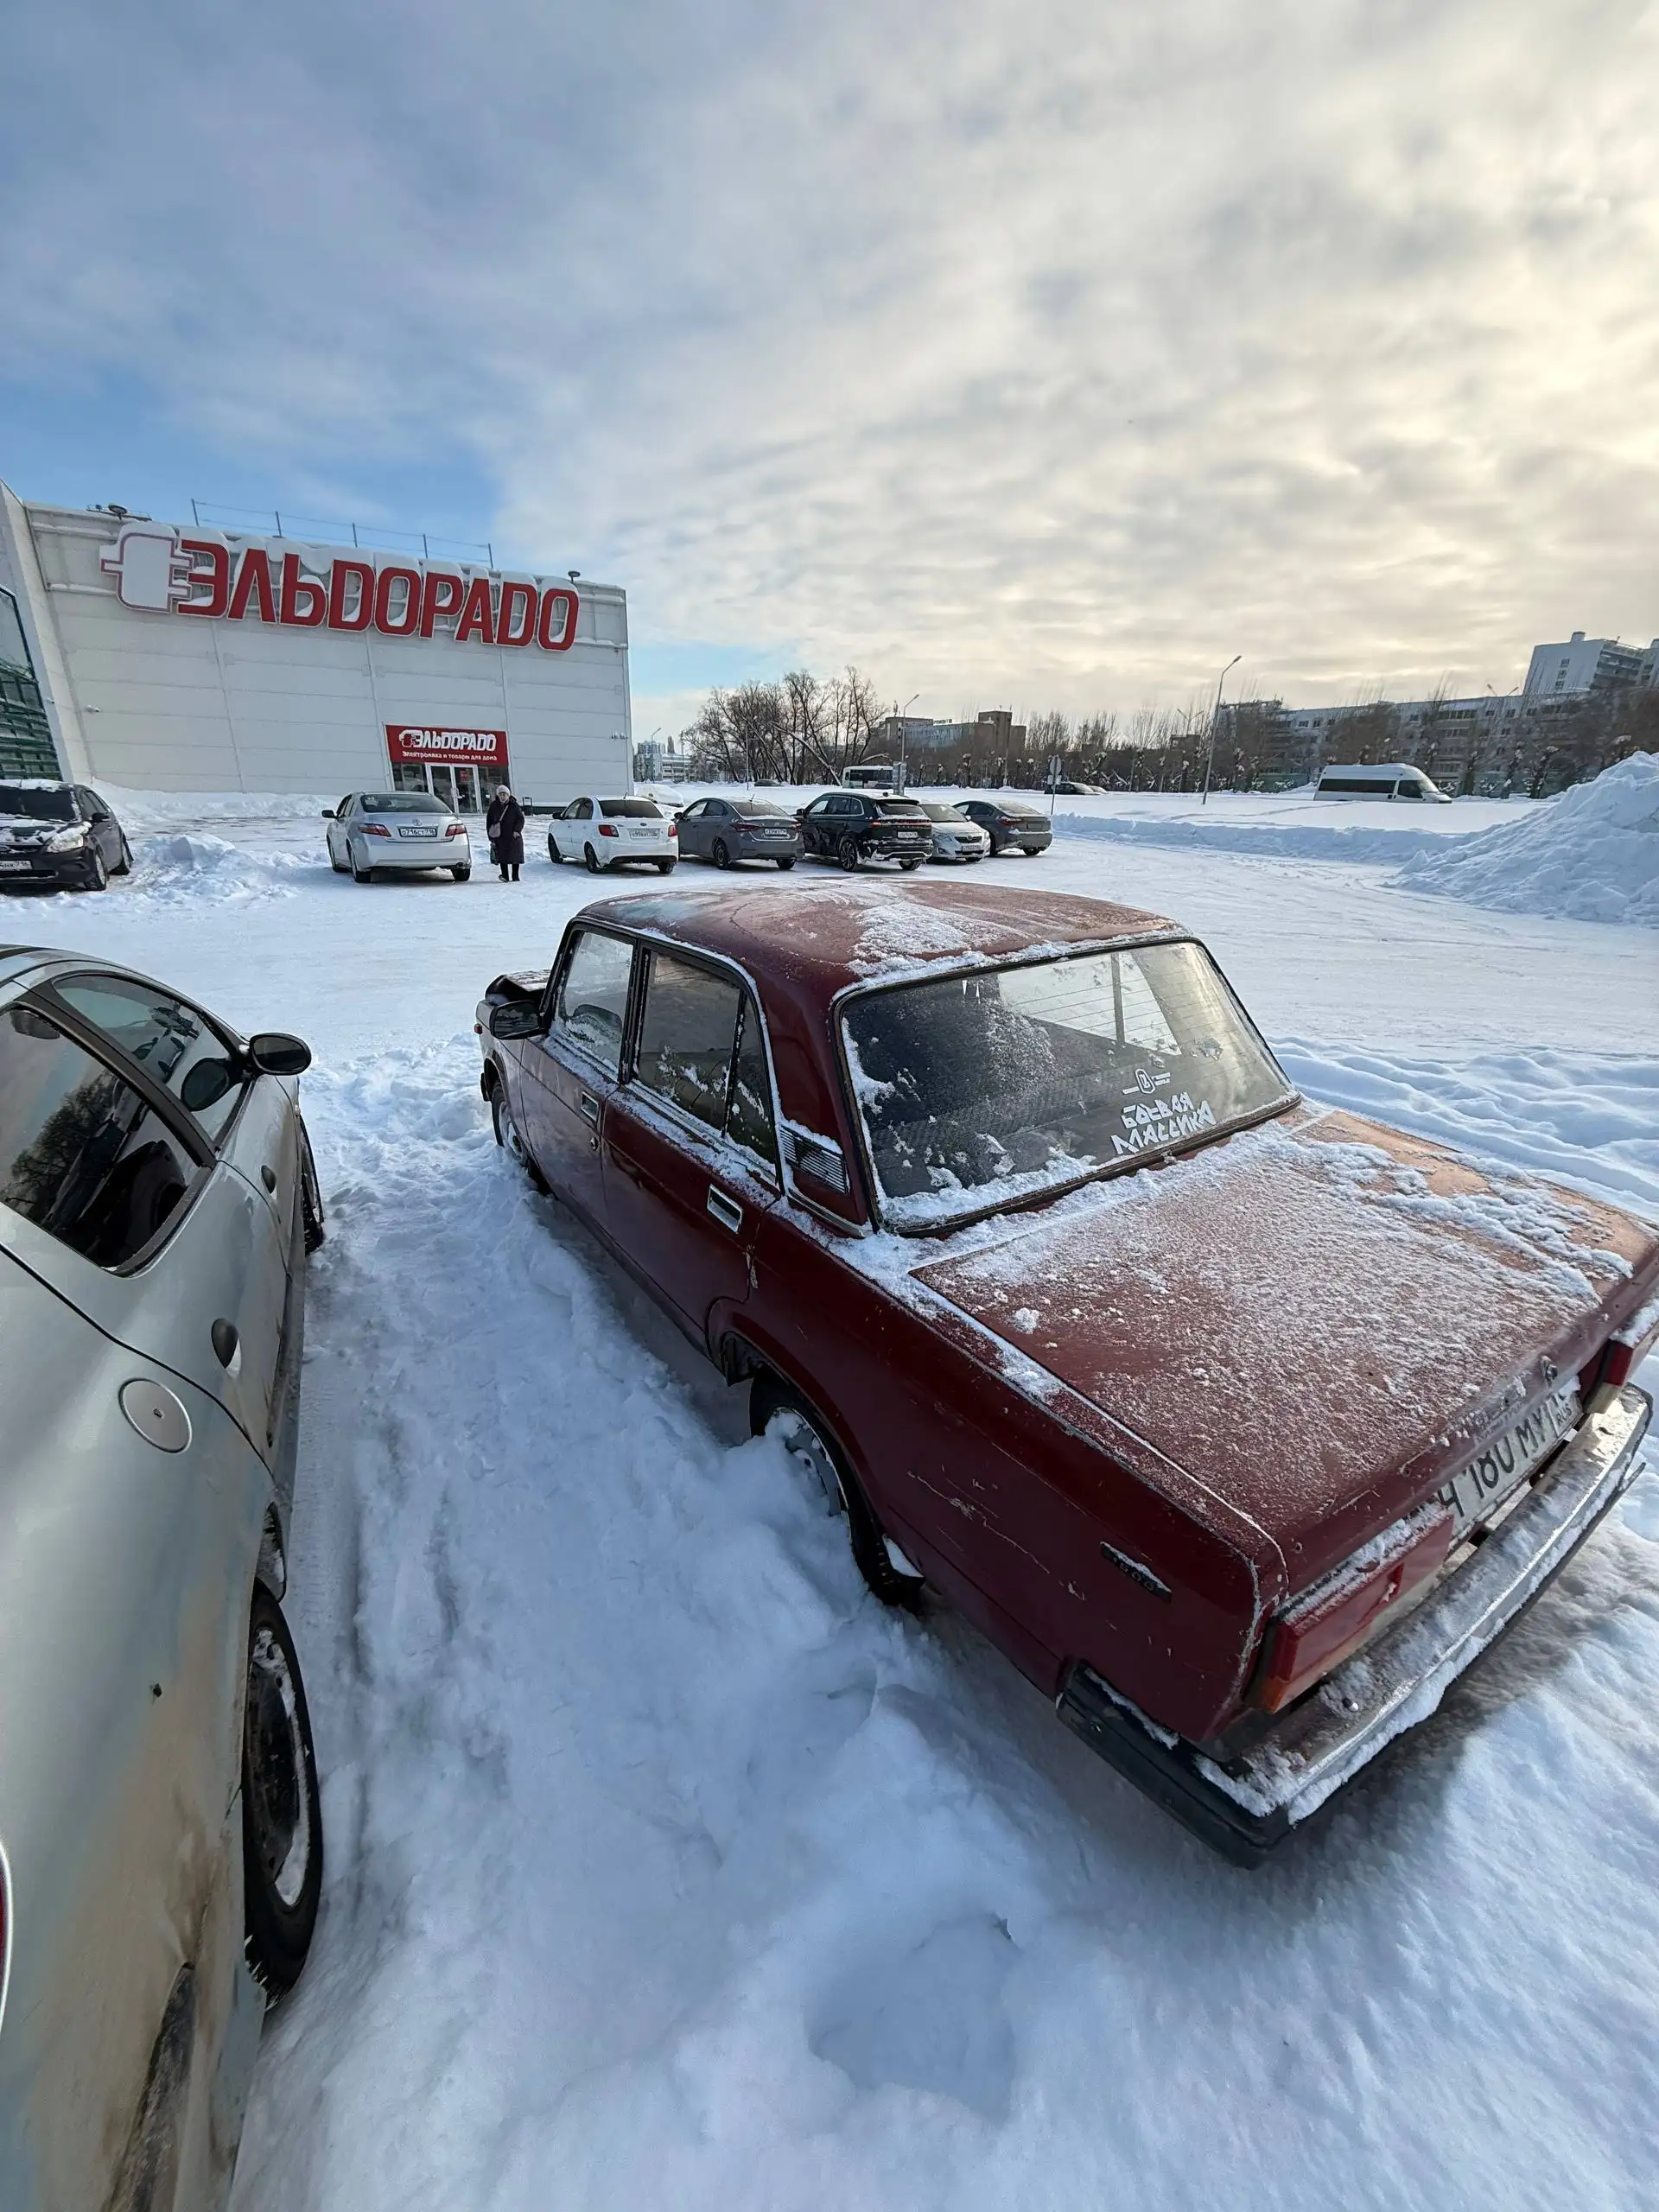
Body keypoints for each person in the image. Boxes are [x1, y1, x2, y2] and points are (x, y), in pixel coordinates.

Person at [490, 786, 525, 882]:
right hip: (500, 835)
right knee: (502, 856)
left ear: (508, 795)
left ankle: (515, 876)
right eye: (500, 794)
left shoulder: (514, 806)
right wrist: (491, 836)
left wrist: (517, 830)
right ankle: (505, 876)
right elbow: (489, 821)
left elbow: (520, 819)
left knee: (515, 856)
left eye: (504, 794)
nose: (502, 797)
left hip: (513, 835)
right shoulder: (494, 806)